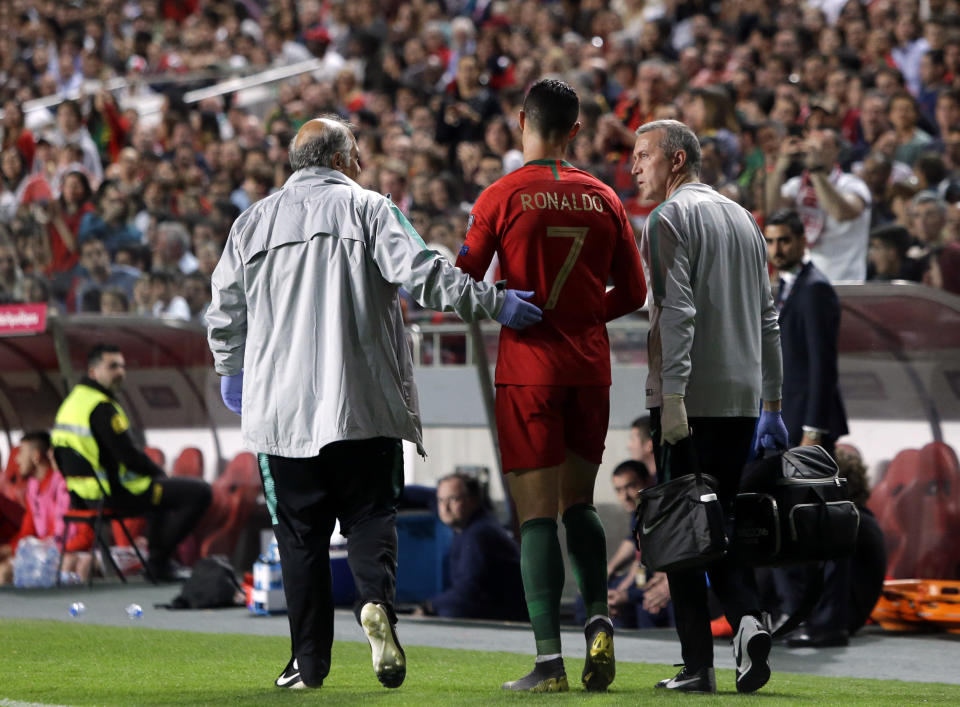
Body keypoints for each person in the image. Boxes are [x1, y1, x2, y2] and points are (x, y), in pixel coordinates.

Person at [205, 115, 541, 692]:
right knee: (369, 518)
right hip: (363, 403)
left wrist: (229, 370)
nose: (361, 165)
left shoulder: (251, 223)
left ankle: (307, 662)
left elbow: (223, 312)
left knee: (300, 537)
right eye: (357, 155)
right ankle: (374, 605)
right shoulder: (369, 209)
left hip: (280, 416)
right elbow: (424, 276)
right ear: (340, 160)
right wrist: (494, 301)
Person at [456, 79, 647, 693]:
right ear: (576, 131)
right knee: (580, 505)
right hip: (589, 369)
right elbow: (637, 292)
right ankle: (598, 618)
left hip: (529, 370)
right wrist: (587, 315)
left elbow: (463, 284)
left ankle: (548, 664)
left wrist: (500, 305)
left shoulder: (501, 195)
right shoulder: (605, 197)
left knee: (536, 518)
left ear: (520, 122)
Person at [632, 119, 787, 694]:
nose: (634, 167)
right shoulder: (744, 219)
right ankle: (747, 620)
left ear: (676, 160)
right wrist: (772, 401)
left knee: (681, 531)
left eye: (643, 155)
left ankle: (698, 665)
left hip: (690, 398)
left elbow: (677, 313)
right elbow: (769, 317)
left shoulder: (669, 218)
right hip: (743, 400)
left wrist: (671, 396)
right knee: (715, 519)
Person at [51, 344, 212, 582]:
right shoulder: (101, 406)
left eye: (122, 366)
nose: (120, 372)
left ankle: (159, 564)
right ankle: (158, 563)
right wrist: (160, 473)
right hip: (115, 493)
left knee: (162, 492)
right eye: (113, 366)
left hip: (83, 497)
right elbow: (128, 456)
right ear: (93, 371)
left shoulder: (72, 404)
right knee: (200, 492)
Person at [764, 210, 849, 456]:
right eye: (770, 242)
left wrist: (813, 430)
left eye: (784, 240)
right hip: (789, 419)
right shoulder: (789, 284)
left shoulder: (815, 289)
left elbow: (823, 365)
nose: (776, 250)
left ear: (803, 241)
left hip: (807, 427)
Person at [766, 128, 872, 282]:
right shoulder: (797, 185)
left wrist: (815, 170)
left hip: (843, 283)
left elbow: (840, 213)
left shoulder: (852, 184)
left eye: (824, 144)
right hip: (801, 282)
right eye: (811, 144)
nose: (816, 149)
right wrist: (779, 167)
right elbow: (773, 211)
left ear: (837, 151)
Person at [417, 472, 527, 621]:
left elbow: (468, 590)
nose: (445, 507)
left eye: (453, 499)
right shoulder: (468, 525)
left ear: (473, 500)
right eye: (440, 500)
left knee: (451, 611)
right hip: (496, 611)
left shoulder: (479, 534)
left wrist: (429, 606)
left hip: (506, 619)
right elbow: (420, 494)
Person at [0, 431, 93, 585]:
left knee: (68, 563)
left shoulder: (66, 485)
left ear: (36, 456)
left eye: (21, 452)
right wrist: (7, 550)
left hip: (69, 552)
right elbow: (27, 534)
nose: (16, 459)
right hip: (47, 553)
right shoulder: (32, 489)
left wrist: (50, 552)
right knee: (3, 569)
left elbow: (86, 535)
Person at [594, 460, 672, 629]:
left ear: (648, 482)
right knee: (599, 597)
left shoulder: (663, 512)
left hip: (669, 580)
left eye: (630, 486)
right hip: (646, 576)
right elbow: (639, 560)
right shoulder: (638, 513)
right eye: (619, 490)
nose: (625, 496)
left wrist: (626, 594)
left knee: (646, 606)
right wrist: (622, 588)